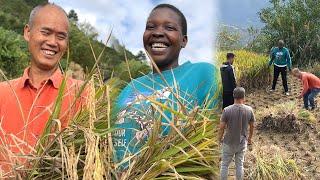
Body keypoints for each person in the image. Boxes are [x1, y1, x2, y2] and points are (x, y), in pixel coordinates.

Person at [113, 4, 220, 168]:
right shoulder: (131, 86)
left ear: (184, 40)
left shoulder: (203, 74)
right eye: (150, 27)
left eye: (169, 27)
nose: (157, 32)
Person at [0, 3, 87, 173]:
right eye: (45, 32)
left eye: (61, 37)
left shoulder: (83, 94)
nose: (53, 42)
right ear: (27, 32)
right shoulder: (2, 92)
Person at [218, 87, 255, 180]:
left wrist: (219, 139)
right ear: (244, 96)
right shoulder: (249, 110)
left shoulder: (226, 110)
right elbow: (252, 126)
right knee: (239, 165)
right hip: (242, 143)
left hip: (228, 142)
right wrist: (250, 138)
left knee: (225, 165)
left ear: (233, 96)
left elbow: (221, 127)